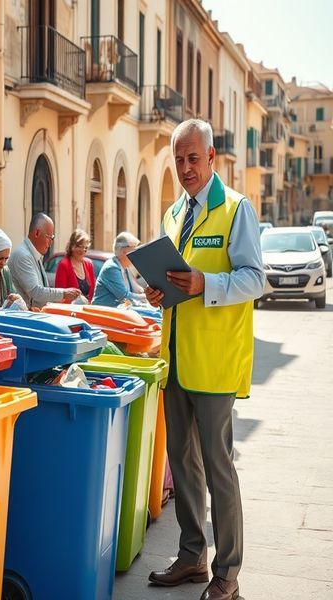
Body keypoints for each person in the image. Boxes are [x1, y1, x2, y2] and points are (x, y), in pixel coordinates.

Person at [145, 119, 264, 600]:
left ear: (212, 157)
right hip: (176, 360)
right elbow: (174, 280)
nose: (186, 167)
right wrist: (160, 291)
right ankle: (193, 556)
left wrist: (206, 285)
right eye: (179, 159)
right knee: (184, 463)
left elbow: (256, 279)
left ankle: (228, 573)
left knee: (218, 468)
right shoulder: (174, 214)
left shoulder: (236, 210)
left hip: (215, 364)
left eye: (194, 158)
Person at [7, 213, 80, 308]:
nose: (50, 243)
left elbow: (42, 291)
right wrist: (63, 293)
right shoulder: (22, 255)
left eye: (52, 238)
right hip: (23, 317)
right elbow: (35, 292)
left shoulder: (34, 254)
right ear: (37, 233)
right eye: (49, 237)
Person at [92, 232, 148, 307]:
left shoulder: (125, 267)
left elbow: (137, 289)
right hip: (103, 312)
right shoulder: (111, 268)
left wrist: (148, 292)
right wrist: (146, 296)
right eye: (133, 250)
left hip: (119, 311)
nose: (136, 254)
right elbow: (123, 295)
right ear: (124, 252)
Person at [55, 229, 97, 301]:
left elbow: (93, 292)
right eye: (79, 246)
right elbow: (59, 294)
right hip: (69, 310)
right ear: (72, 246)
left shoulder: (89, 264)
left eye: (85, 247)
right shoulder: (63, 265)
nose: (82, 250)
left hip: (86, 309)